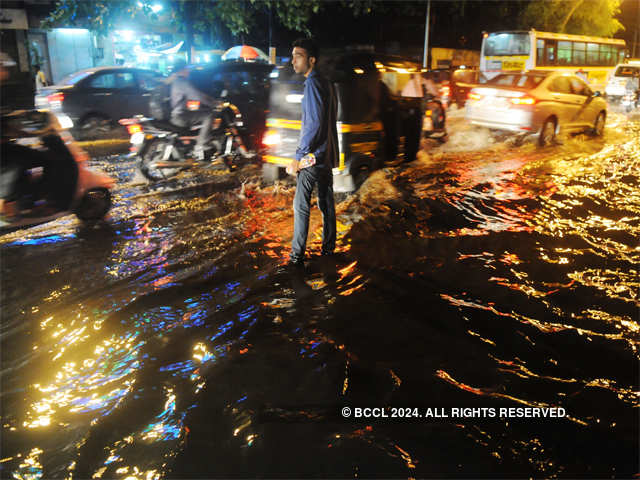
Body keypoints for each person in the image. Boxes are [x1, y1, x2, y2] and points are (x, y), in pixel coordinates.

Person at [288, 38, 338, 267]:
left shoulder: (312, 84)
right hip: (325, 155)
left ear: (311, 60)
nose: (293, 60)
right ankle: (328, 249)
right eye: (293, 55)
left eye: (298, 55)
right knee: (326, 203)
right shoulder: (327, 83)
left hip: (312, 157)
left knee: (301, 205)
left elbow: (314, 123)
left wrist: (299, 157)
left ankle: (296, 257)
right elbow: (330, 122)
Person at [168, 58, 217, 160]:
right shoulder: (182, 82)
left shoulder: (175, 81)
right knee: (209, 114)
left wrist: (210, 100)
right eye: (187, 68)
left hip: (176, 114)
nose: (188, 71)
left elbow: (197, 95)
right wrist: (213, 103)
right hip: (180, 116)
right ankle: (202, 144)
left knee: (201, 113)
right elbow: (197, 95)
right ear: (182, 69)